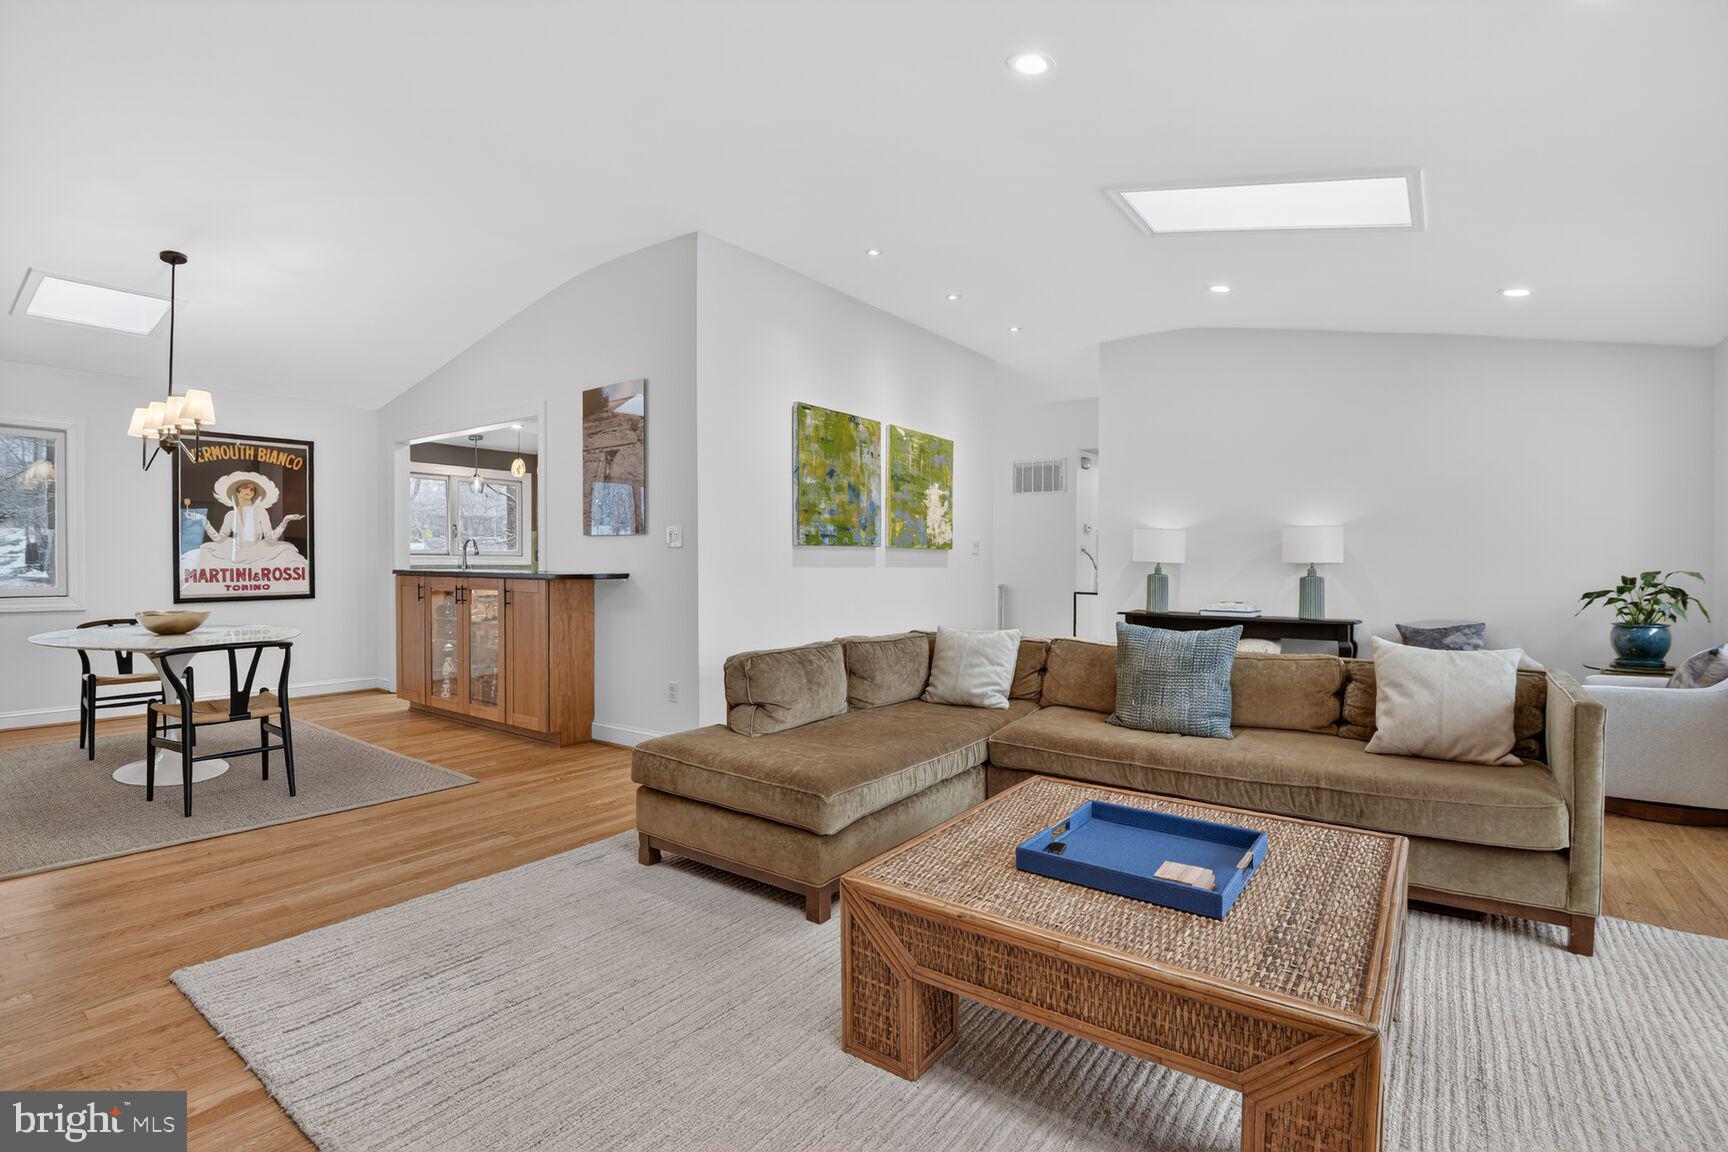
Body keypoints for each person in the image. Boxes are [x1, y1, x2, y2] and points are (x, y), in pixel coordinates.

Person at [183, 471, 305, 570]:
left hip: (259, 551)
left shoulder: (261, 512)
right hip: (234, 551)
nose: (249, 491)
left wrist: (285, 521)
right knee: (198, 559)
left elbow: (271, 538)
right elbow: (219, 539)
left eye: (252, 490)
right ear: (237, 491)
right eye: (245, 488)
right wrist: (204, 521)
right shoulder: (230, 515)